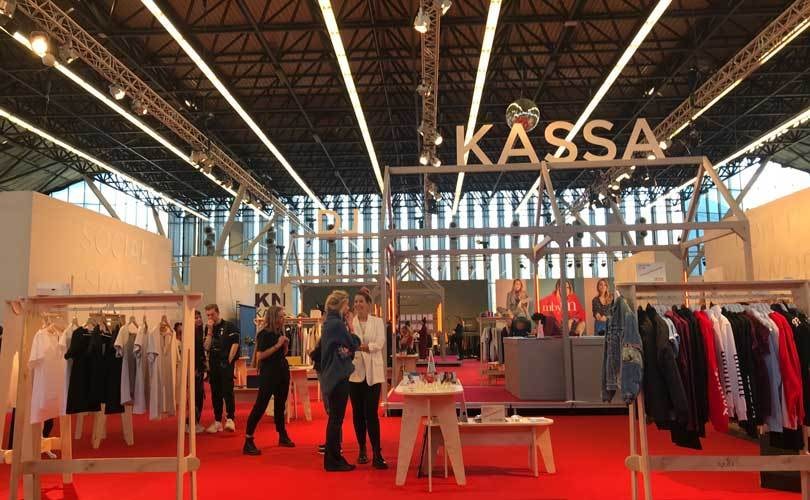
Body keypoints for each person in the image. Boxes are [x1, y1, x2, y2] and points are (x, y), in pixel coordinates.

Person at [243, 307, 295, 455]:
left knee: (280, 405)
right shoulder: (264, 333)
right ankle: (248, 439)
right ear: (273, 317)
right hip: (269, 373)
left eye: (283, 316)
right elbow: (260, 356)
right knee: (261, 405)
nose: (283, 319)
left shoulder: (280, 332)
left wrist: (284, 345)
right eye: (281, 316)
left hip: (282, 371)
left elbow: (282, 353)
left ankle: (282, 434)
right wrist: (278, 345)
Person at [349, 288, 388, 469]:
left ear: (368, 304)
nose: (358, 304)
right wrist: (360, 347)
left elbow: (380, 343)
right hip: (354, 374)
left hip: (374, 373)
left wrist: (364, 347)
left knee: (371, 414)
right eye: (356, 301)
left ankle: (377, 453)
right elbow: (348, 344)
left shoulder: (378, 322)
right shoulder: (350, 322)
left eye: (361, 301)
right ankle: (362, 449)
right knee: (357, 414)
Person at [320, 290, 359, 472]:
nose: (349, 308)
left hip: (332, 375)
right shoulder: (337, 324)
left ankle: (333, 457)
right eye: (347, 305)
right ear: (341, 305)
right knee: (336, 420)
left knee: (335, 419)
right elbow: (354, 343)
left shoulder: (329, 323)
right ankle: (333, 460)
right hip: (338, 376)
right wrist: (351, 326)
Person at [203, 304, 240, 433]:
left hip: (225, 363)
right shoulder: (208, 328)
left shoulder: (229, 326)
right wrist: (209, 331)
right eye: (208, 315)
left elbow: (235, 344)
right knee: (215, 393)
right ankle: (217, 420)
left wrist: (229, 360)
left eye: (212, 314)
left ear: (218, 313)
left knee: (227, 391)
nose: (210, 317)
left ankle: (230, 418)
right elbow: (206, 347)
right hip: (214, 364)